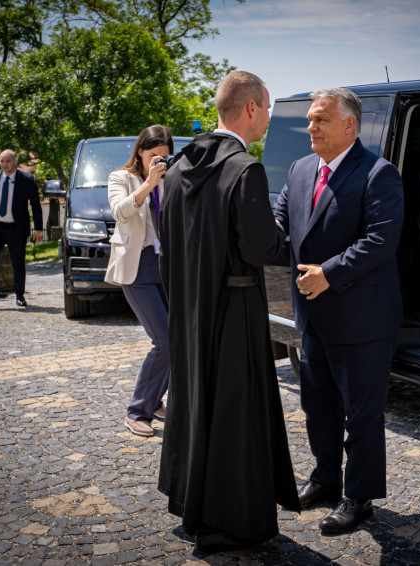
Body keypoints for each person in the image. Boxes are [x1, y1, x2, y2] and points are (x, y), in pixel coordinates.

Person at [157, 70, 299, 553]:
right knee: (235, 414)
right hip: (235, 312)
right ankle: (227, 522)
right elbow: (261, 248)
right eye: (268, 108)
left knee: (198, 404)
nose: (269, 119)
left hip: (190, 311)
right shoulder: (245, 170)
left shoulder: (177, 167)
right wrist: (283, 230)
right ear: (251, 107)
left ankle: (192, 505)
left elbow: (168, 248)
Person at [272, 87, 404, 533]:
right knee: (318, 406)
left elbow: (380, 240)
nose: (310, 127)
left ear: (350, 125)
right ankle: (325, 478)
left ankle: (359, 496)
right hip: (313, 316)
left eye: (321, 119)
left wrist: (328, 273)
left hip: (363, 317)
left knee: (361, 414)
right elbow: (280, 219)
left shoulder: (378, 173)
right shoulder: (300, 168)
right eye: (310, 119)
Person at [105, 125, 173, 437]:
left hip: (167, 265)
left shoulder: (169, 178)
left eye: (164, 156)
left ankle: (155, 400)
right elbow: (120, 212)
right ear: (140, 152)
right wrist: (149, 183)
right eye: (153, 155)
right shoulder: (121, 177)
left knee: (177, 338)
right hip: (137, 266)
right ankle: (137, 412)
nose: (158, 160)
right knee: (164, 340)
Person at [0, 149, 43, 309]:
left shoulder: (26, 179)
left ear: (15, 161)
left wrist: (38, 228)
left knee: (18, 262)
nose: (5, 164)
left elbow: (35, 205)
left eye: (8, 161)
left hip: (16, 227)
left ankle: (20, 295)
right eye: (2, 161)